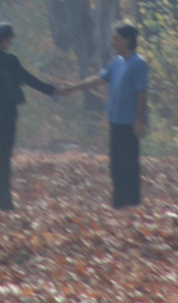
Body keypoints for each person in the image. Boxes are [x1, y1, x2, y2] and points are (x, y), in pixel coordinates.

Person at [0, 23, 59, 211]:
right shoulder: (9, 61)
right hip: (6, 116)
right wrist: (53, 90)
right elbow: (28, 79)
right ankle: (4, 202)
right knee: (3, 158)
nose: (11, 42)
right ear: (4, 39)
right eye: (10, 38)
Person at [61, 21, 149, 209]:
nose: (113, 42)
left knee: (129, 164)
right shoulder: (116, 62)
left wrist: (139, 119)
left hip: (129, 122)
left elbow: (142, 92)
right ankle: (118, 202)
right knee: (116, 165)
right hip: (115, 120)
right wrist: (74, 87)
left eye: (116, 39)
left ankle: (132, 202)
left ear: (127, 40)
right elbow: (99, 79)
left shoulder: (138, 63)